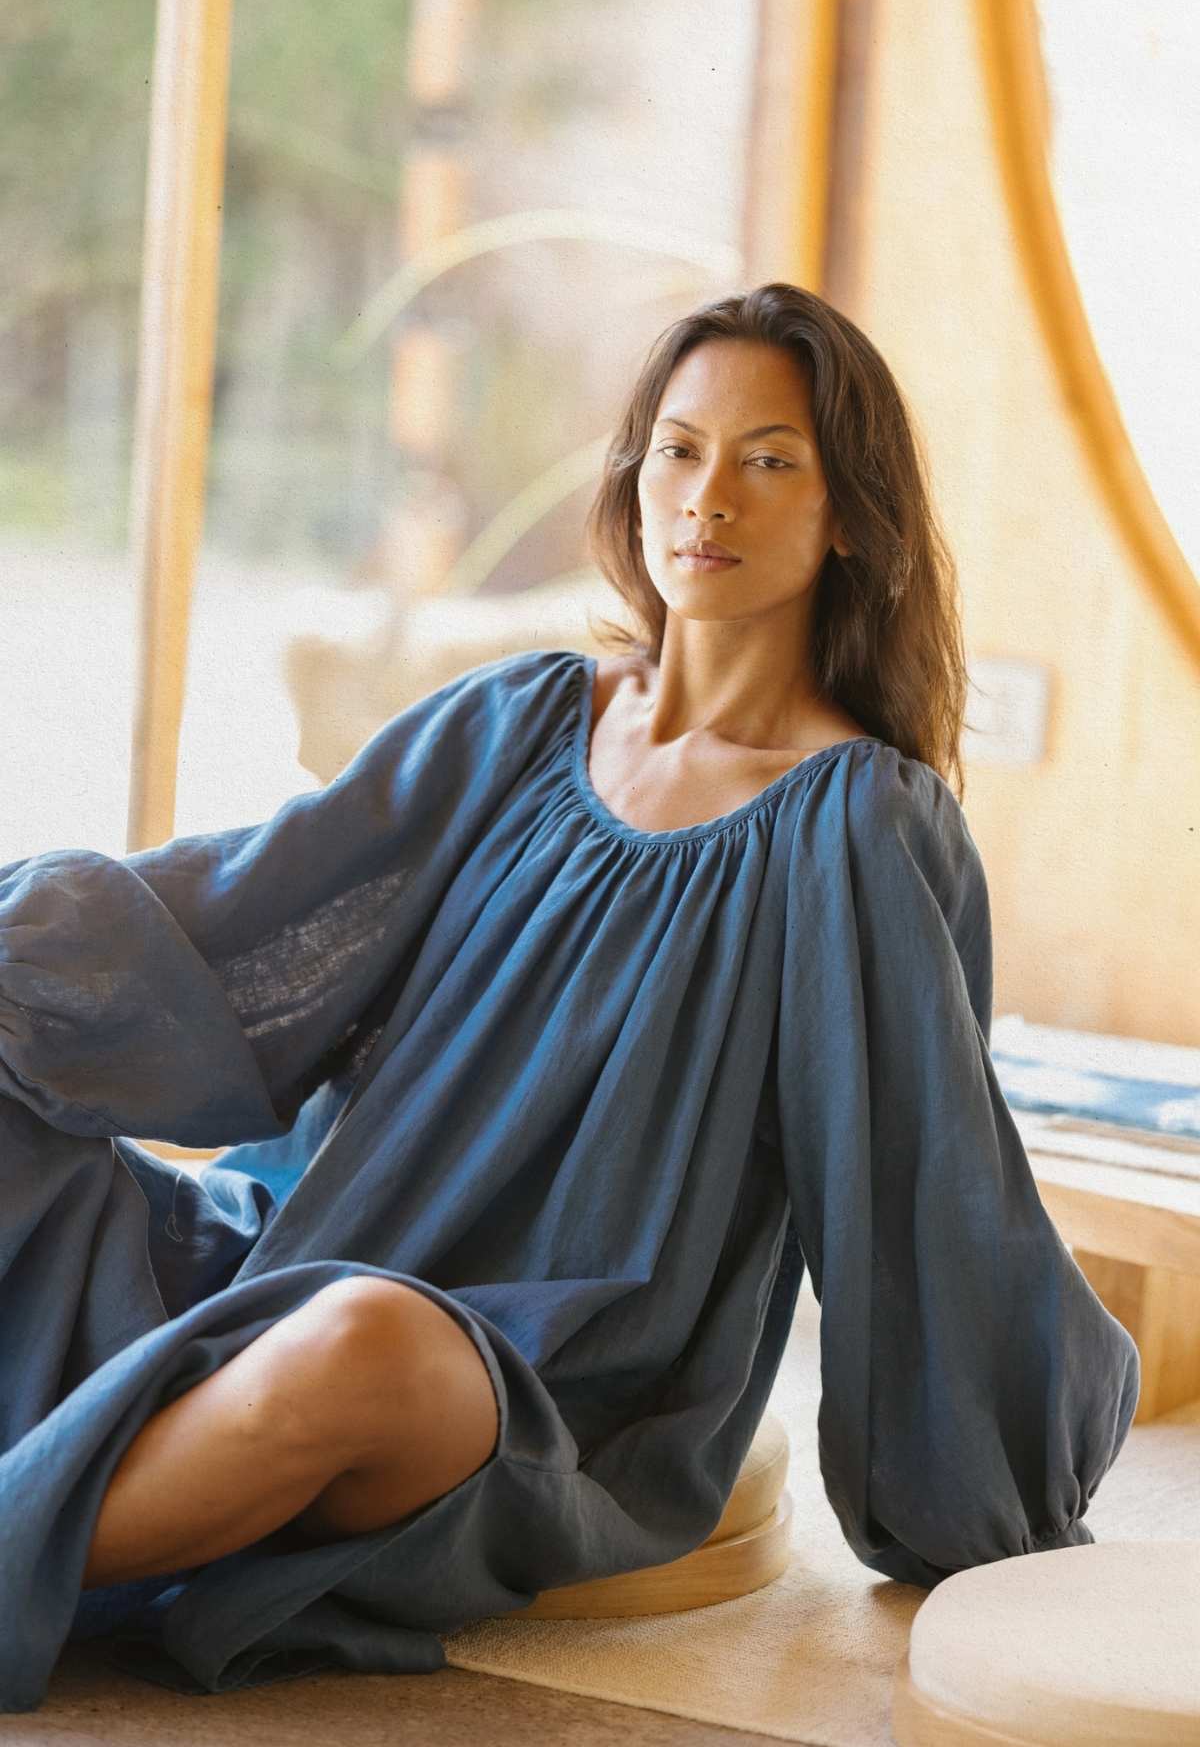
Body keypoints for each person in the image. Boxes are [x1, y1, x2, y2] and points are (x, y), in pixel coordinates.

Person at [0, 282, 1140, 1711]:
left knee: (360, 1341)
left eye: (769, 459)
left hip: (548, 1381)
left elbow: (924, 1176)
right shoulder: (521, 723)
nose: (707, 496)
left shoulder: (857, 826)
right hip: (302, 1254)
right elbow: (243, 909)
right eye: (678, 448)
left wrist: (1010, 1474)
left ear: (849, 514)